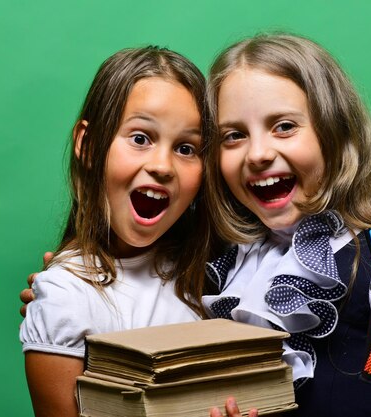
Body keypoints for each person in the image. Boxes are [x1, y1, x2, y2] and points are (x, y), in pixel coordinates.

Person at [200, 33, 371, 417]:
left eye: (284, 126)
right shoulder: (224, 266)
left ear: (335, 133)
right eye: (234, 136)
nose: (258, 153)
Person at [18, 46, 252, 417]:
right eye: (141, 138)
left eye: (186, 147)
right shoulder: (65, 297)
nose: (162, 165)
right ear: (89, 145)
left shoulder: (217, 271)